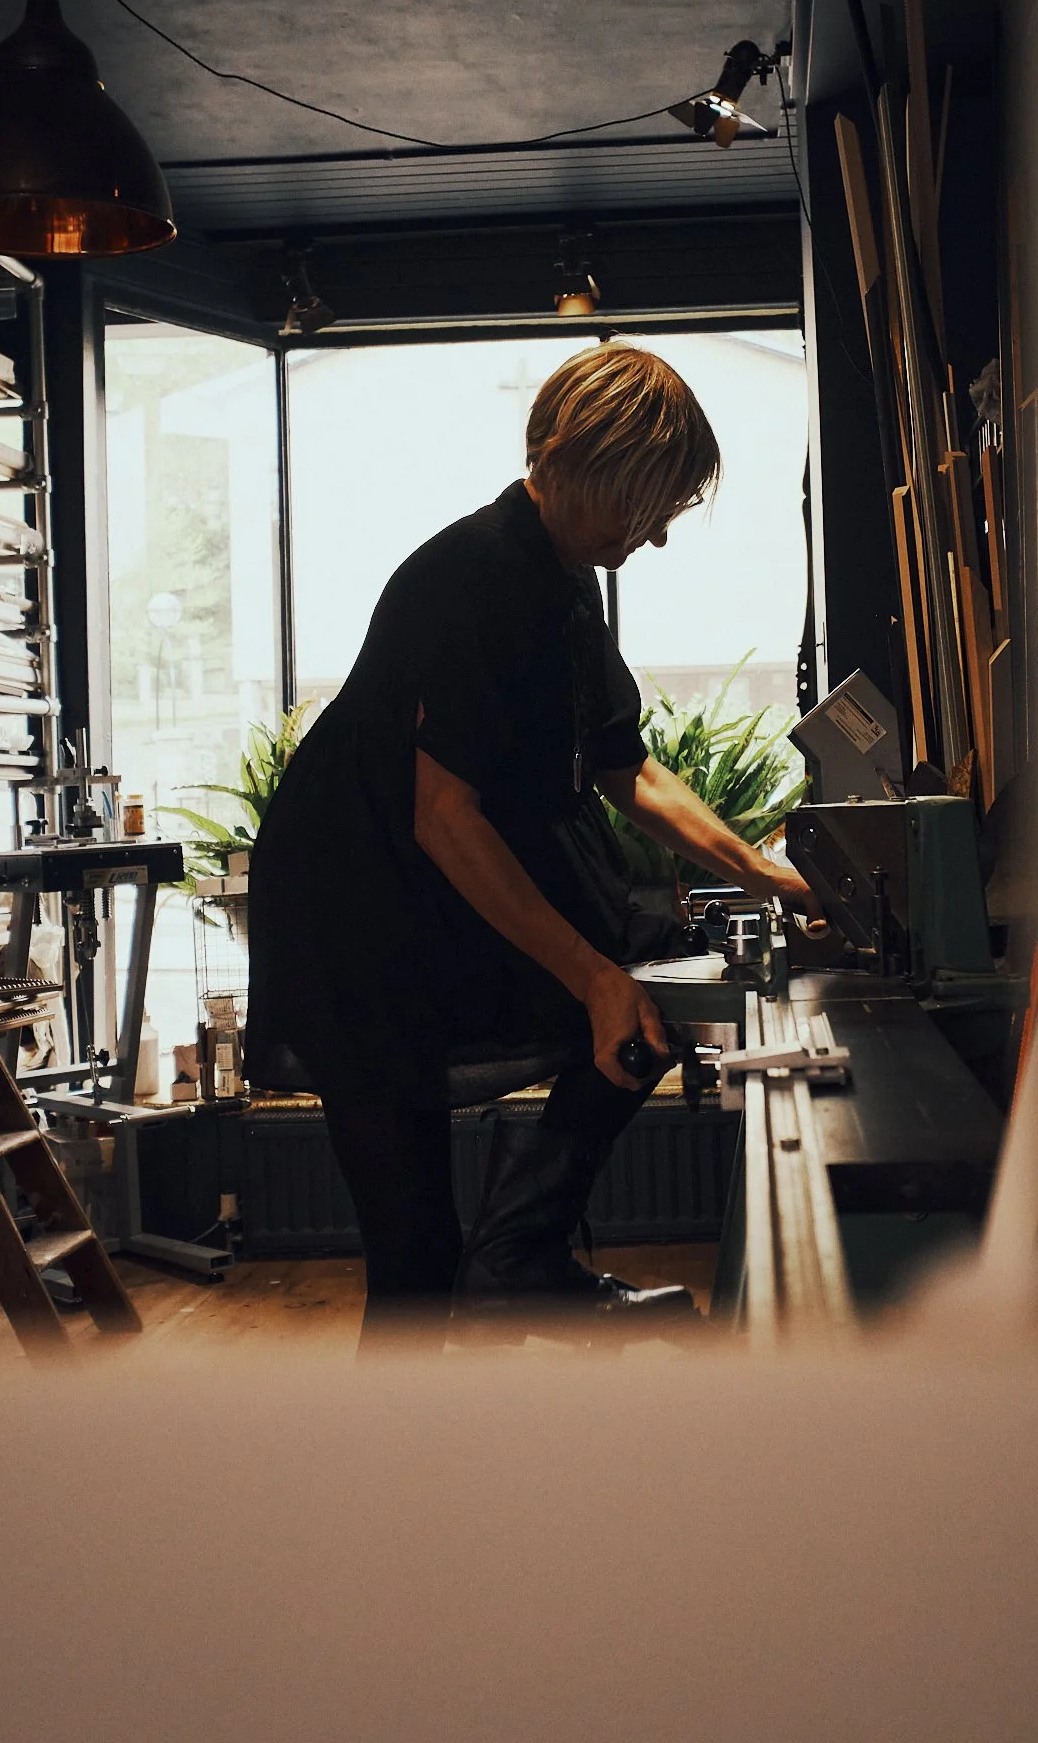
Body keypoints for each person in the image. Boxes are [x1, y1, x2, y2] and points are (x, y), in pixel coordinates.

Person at [245, 342, 822, 1340]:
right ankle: (475, 1332)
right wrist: (593, 978)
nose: (655, 536)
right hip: (358, 910)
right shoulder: (468, 576)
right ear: (572, 466)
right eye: (639, 507)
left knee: (649, 991)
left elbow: (627, 769)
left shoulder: (563, 578)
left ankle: (518, 1260)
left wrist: (767, 875)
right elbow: (444, 815)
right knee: (414, 1262)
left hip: (431, 891)